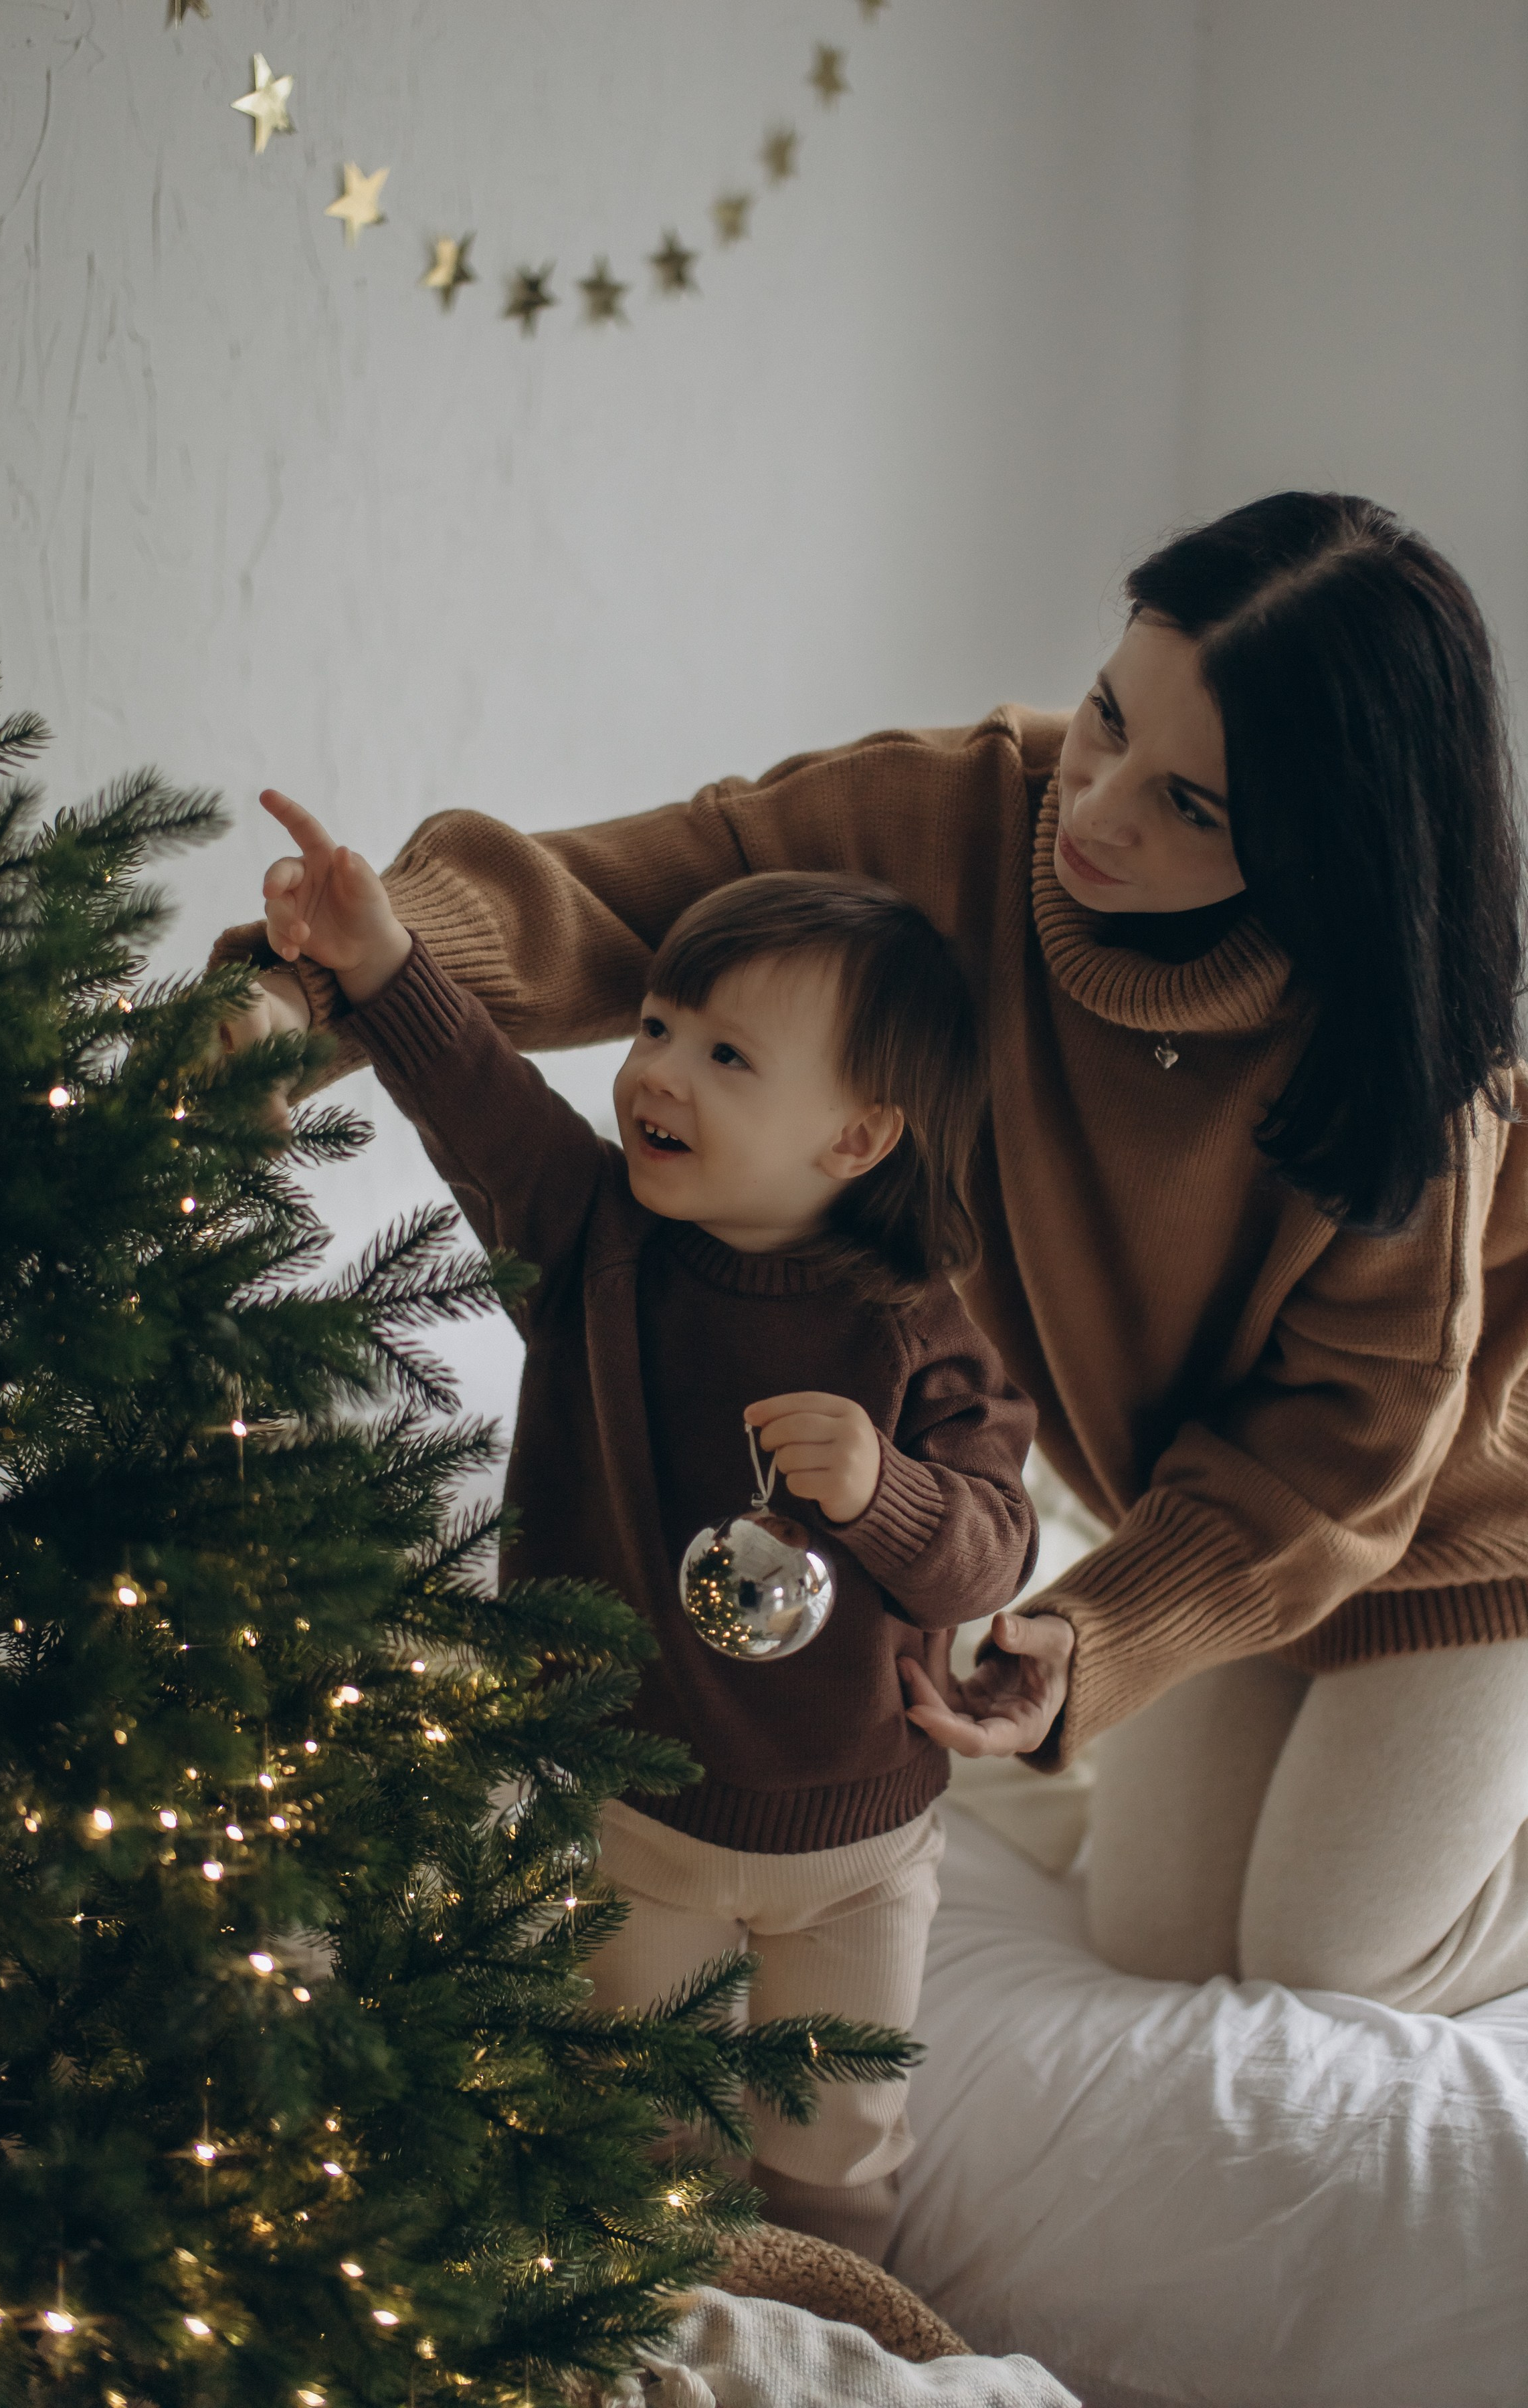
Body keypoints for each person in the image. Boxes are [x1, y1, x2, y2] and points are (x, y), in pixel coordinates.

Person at [219, 490, 1528, 2020]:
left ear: (1329, 849)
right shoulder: (966, 814)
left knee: (1325, 1958)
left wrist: (1097, 1630)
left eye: (1196, 808)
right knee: (1163, 1939)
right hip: (1206, 1512)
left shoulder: (1413, 1070)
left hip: (1465, 1524)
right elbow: (638, 894)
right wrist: (311, 988)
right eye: (1110, 718)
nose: (1098, 809)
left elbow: (1341, 1460)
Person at [233, 823, 1038, 2259]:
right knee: (627, 2120)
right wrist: (371, 957)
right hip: (637, 1818)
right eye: (659, 1024)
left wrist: (880, 1492)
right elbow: (483, 1101)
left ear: (856, 1139)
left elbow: (988, 1555)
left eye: (728, 1056)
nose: (657, 1070)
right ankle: (644, 2321)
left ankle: (828, 2327)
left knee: (831, 2145)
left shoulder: (917, 1330)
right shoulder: (597, 1237)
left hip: (852, 1836)